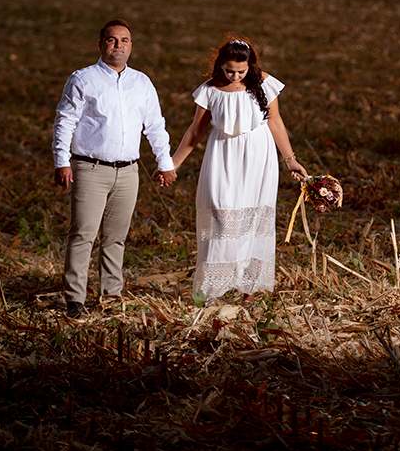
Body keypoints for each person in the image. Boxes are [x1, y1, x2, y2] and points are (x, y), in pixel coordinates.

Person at [53, 19, 175, 319]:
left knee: (116, 237)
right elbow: (65, 121)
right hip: (91, 169)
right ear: (101, 44)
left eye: (124, 40)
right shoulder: (83, 79)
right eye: (111, 40)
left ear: (131, 46)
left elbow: (155, 125)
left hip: (128, 171)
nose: (118, 45)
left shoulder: (142, 82)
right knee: (83, 233)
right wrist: (62, 160)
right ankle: (75, 299)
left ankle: (111, 295)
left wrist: (165, 162)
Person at [170, 38, 307, 304]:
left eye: (240, 72)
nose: (234, 76)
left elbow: (276, 123)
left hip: (258, 155)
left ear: (250, 66)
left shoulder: (265, 83)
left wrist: (290, 159)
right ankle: (211, 291)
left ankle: (249, 290)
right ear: (220, 64)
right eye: (229, 70)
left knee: (254, 219)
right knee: (223, 217)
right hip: (224, 155)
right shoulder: (210, 90)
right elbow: (195, 131)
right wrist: (172, 164)